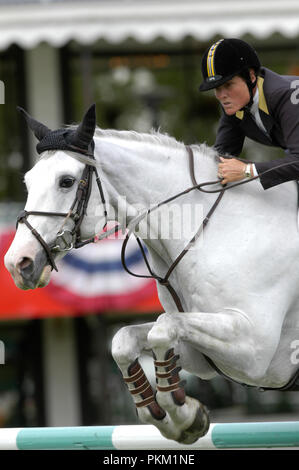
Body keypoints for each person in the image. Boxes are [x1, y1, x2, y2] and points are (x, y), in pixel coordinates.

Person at [199, 38, 299, 190]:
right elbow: (221, 158)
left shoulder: (287, 96)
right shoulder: (236, 105)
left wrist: (247, 171)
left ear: (251, 76)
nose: (222, 95)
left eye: (228, 85)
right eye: (217, 88)